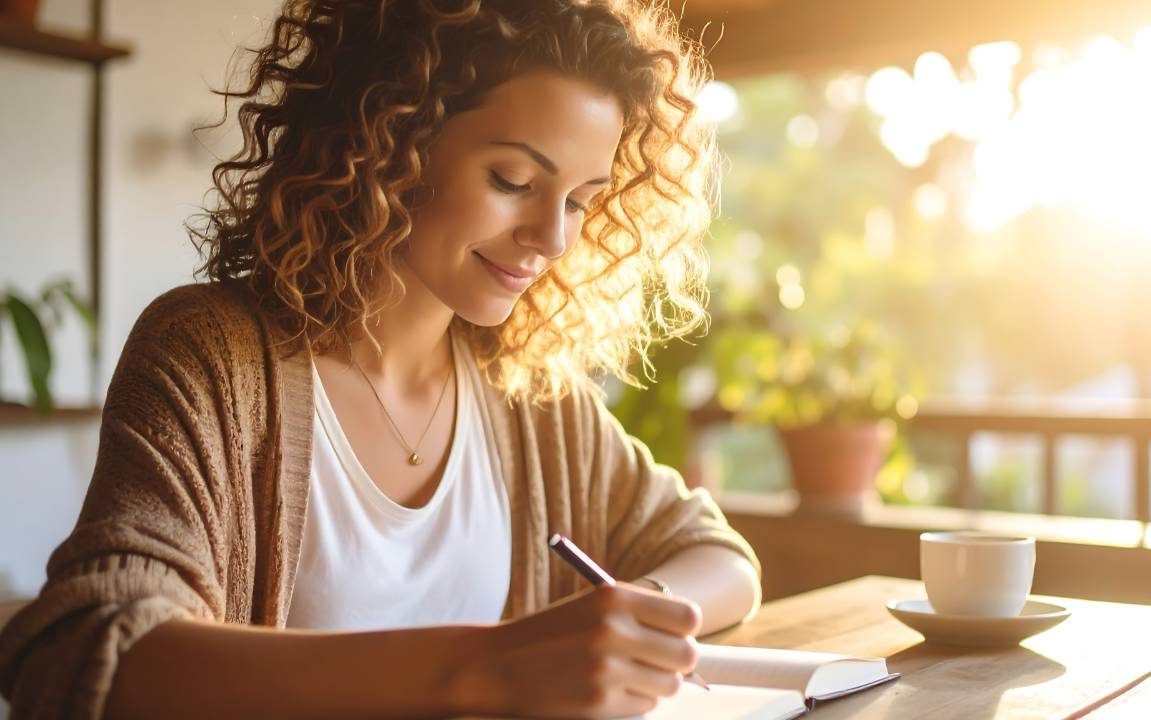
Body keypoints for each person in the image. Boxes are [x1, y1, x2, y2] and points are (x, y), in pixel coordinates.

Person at [0, 1, 762, 718]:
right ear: (387, 144)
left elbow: (718, 557)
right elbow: (91, 644)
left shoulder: (526, 395)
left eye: (578, 201)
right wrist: (489, 666)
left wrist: (627, 622)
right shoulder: (212, 356)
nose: (553, 240)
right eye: (515, 181)